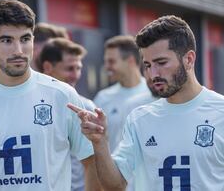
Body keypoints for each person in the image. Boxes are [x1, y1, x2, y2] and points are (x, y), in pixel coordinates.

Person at [0, 0, 101, 191]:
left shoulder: (62, 95)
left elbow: (92, 161)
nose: (18, 50)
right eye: (7, 40)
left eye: (25, 39)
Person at [68, 15, 224, 190]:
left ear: (189, 59)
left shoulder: (220, 111)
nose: (153, 74)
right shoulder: (139, 118)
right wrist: (100, 143)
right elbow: (115, 185)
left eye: (161, 63)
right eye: (148, 65)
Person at [38, 37, 96, 191]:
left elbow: (95, 161)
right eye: (70, 68)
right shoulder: (29, 104)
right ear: (48, 67)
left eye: (78, 68)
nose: (76, 75)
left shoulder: (86, 107)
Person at [93, 35, 150, 153]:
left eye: (111, 61)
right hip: (113, 170)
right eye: (106, 62)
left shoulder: (154, 95)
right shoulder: (102, 98)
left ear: (130, 61)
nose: (107, 67)